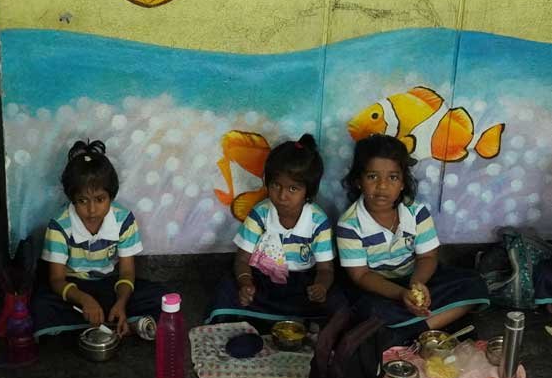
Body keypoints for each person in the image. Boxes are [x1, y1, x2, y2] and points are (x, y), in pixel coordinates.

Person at [336, 134, 489, 341]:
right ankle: (427, 325)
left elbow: (428, 257)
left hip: (415, 277)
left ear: (402, 183)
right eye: (372, 177)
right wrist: (401, 294)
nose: (382, 186)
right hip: (377, 286)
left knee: (474, 284)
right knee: (366, 310)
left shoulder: (416, 212)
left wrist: (417, 285)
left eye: (392, 177)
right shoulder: (350, 224)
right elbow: (361, 276)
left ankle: (405, 332)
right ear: (358, 181)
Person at [31, 140, 165, 338]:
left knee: (162, 297)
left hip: (109, 284)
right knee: (40, 304)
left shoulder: (123, 220)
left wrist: (121, 303)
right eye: (82, 201)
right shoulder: (59, 225)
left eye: (100, 199)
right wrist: (84, 300)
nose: (92, 210)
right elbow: (57, 279)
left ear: (111, 196)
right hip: (75, 287)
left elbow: (127, 272)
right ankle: (119, 322)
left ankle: (105, 318)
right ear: (72, 199)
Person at [206, 134, 344, 324]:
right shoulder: (260, 213)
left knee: (337, 301)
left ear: (309, 191)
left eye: (293, 189)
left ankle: (272, 318)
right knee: (227, 287)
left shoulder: (318, 221)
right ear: (267, 182)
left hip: (302, 283)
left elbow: (326, 269)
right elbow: (242, 259)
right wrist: (246, 283)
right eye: (276, 185)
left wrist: (320, 287)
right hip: (263, 280)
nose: (282, 195)